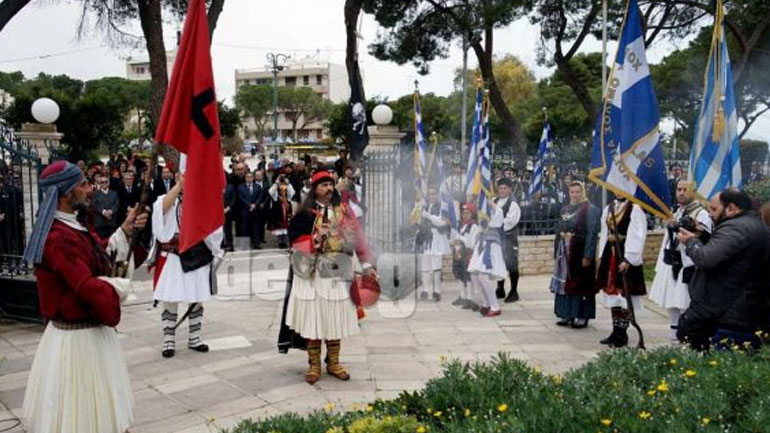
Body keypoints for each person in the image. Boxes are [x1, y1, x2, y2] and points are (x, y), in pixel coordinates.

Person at [21, 161, 147, 433]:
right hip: (76, 343)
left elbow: (98, 254)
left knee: (98, 414)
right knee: (82, 418)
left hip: (88, 337)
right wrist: (117, 288)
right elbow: (85, 284)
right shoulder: (57, 237)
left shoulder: (72, 227)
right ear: (66, 193)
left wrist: (125, 229)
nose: (89, 189)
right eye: (82, 185)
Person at [278, 170, 376, 384]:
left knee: (334, 317)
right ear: (315, 189)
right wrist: (314, 239)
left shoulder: (344, 211)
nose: (329, 189)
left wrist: (366, 263)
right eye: (324, 185)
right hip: (311, 274)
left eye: (331, 185)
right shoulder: (304, 213)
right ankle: (313, 366)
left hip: (336, 273)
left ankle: (333, 362)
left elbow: (358, 237)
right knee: (313, 318)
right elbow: (294, 239)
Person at [676, 188, 770, 350]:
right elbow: (726, 254)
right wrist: (703, 236)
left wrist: (691, 242)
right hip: (734, 313)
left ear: (731, 208)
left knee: (724, 368)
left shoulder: (736, 228)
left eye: (713, 209)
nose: (710, 214)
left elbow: (706, 259)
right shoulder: (747, 225)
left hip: (731, 317)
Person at [151, 173, 224, 358]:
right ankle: (168, 339)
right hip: (173, 255)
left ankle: (195, 337)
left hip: (197, 254)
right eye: (182, 176)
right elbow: (159, 211)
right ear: (177, 177)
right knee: (170, 298)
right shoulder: (166, 198)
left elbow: (213, 226)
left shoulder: (201, 200)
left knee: (196, 297)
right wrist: (178, 187)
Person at [649, 179, 712, 341]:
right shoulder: (676, 212)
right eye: (679, 189)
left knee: (685, 301)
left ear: (693, 191)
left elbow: (706, 238)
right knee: (671, 299)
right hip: (673, 260)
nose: (681, 193)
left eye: (685, 189)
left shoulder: (701, 213)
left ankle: (686, 332)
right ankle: (674, 331)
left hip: (689, 262)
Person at [596, 196, 648, 348]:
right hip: (610, 254)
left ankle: (622, 333)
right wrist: (601, 255)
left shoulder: (635, 209)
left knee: (623, 293)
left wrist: (629, 259)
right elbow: (605, 232)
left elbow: (637, 235)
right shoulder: (610, 207)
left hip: (624, 254)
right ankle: (615, 330)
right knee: (612, 293)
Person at [550, 181, 600, 329]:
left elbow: (592, 233)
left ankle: (582, 315)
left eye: (578, 191)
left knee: (581, 283)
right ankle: (567, 313)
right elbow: (559, 225)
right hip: (565, 251)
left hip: (580, 250)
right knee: (566, 282)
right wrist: (561, 234)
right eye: (572, 192)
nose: (575, 195)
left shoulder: (591, 209)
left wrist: (588, 255)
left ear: (583, 192)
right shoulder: (565, 208)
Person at [467, 201, 507, 317]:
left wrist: (490, 204)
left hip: (491, 247)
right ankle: (486, 303)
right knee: (474, 276)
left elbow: (499, 216)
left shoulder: (494, 220)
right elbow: (472, 241)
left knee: (483, 276)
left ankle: (495, 306)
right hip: (481, 248)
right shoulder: (479, 223)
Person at [415, 186, 451, 302]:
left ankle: (437, 291)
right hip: (426, 236)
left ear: (438, 195)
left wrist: (428, 216)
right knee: (425, 265)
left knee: (436, 266)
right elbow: (416, 220)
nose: (432, 196)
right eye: (430, 194)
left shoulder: (442, 206)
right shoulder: (424, 206)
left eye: (434, 194)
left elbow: (442, 222)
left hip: (437, 237)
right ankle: (425, 290)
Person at [493, 178, 521, 303]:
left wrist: (494, 225)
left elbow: (509, 222)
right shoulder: (494, 201)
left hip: (509, 238)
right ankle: (500, 288)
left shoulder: (513, 204)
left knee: (512, 265)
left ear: (509, 189)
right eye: (500, 188)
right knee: (499, 263)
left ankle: (514, 291)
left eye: (505, 188)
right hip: (496, 238)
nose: (502, 190)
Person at [451, 202, 480, 310]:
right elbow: (454, 238)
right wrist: (454, 241)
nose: (465, 215)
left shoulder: (474, 226)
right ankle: (462, 296)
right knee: (458, 274)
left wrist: (460, 238)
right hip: (458, 252)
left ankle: (469, 298)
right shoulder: (460, 225)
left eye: (467, 212)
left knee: (467, 277)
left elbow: (471, 243)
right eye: (463, 212)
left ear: (472, 214)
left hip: (467, 255)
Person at [237, 171, 265, 249]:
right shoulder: (240, 187)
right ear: (245, 178)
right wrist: (249, 205)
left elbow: (260, 197)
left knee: (255, 227)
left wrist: (255, 205)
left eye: (250, 177)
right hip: (245, 210)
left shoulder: (258, 187)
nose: (249, 179)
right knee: (244, 227)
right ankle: (244, 245)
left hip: (255, 210)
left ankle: (256, 243)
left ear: (253, 178)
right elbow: (240, 198)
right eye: (247, 177)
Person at [267, 172, 295, 248]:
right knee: (278, 223)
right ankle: (280, 241)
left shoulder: (287, 185)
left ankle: (285, 240)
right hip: (278, 206)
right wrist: (276, 183)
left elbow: (292, 193)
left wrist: (288, 183)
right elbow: (271, 192)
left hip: (287, 206)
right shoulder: (276, 185)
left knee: (287, 222)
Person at [92, 174, 120, 240]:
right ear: (99, 183)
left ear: (109, 183)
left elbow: (116, 204)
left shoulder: (114, 193)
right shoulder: (95, 193)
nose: (104, 183)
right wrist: (104, 212)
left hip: (112, 222)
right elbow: (94, 205)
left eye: (106, 182)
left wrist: (110, 212)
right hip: (100, 223)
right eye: (102, 182)